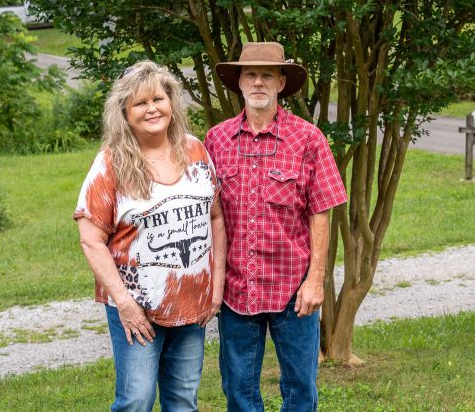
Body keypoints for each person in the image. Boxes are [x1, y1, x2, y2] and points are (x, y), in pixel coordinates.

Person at [74, 60, 226, 412]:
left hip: (192, 306)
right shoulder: (111, 163)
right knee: (136, 401)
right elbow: (90, 240)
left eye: (158, 98)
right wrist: (125, 306)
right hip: (137, 309)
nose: (151, 109)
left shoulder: (196, 151)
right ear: (124, 113)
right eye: (140, 103)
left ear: (171, 103)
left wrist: (215, 288)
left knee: (183, 401)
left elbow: (216, 217)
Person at [204, 42, 347, 412]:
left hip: (293, 291)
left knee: (301, 390)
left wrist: (315, 281)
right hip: (237, 289)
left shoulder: (309, 139)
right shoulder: (216, 140)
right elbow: (207, 214)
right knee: (238, 390)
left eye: (267, 75)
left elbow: (321, 213)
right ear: (239, 83)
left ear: (281, 82)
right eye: (250, 74)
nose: (258, 82)